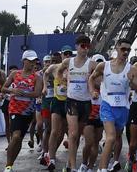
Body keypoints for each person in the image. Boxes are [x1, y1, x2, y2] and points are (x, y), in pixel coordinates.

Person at [93, 40, 137, 172]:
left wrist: (133, 84)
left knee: (117, 138)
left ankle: (114, 161)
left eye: (128, 50)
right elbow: (91, 78)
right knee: (111, 137)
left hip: (123, 108)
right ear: (116, 48)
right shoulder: (104, 66)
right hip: (107, 105)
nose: (125, 52)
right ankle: (102, 169)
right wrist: (93, 90)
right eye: (123, 49)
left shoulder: (133, 69)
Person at [57, 34, 96, 172]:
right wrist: (62, 81)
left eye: (88, 46)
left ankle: (69, 162)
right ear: (77, 47)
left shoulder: (92, 64)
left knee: (77, 136)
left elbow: (99, 79)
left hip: (85, 103)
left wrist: (94, 88)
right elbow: (59, 71)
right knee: (72, 134)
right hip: (72, 101)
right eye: (82, 46)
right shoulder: (68, 62)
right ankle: (73, 168)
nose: (85, 49)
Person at [2, 50, 45, 172]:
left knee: (19, 138)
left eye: (34, 61)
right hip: (14, 109)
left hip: (27, 111)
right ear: (24, 61)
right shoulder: (15, 74)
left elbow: (37, 93)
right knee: (15, 136)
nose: (32, 63)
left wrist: (24, 93)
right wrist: (13, 91)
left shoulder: (37, 77)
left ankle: (11, 164)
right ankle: (8, 165)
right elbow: (3, 88)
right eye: (30, 60)